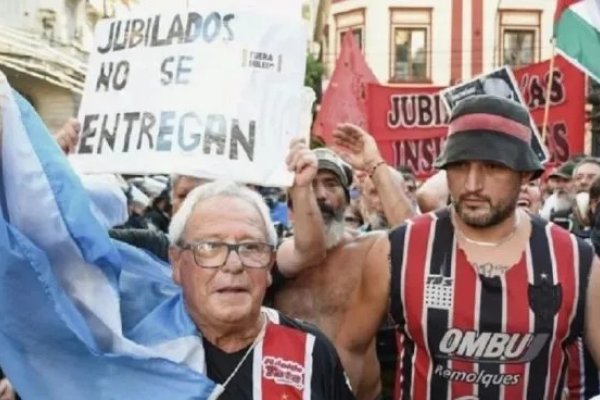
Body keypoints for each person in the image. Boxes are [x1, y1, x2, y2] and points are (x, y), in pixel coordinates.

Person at [364, 95, 600, 399]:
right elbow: (352, 357)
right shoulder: (395, 250)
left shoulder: (577, 260)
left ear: (525, 173)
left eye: (492, 167)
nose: (472, 184)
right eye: (460, 165)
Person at [168, 180, 355, 399]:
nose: (234, 264)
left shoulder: (311, 350)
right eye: (210, 247)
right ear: (177, 263)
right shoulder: (144, 348)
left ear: (269, 265)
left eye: (251, 247)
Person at [275, 146, 390, 400]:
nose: (320, 195)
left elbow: (419, 242)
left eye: (330, 184)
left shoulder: (371, 249)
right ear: (291, 201)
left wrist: (376, 166)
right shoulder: (272, 259)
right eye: (309, 185)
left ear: (348, 199)